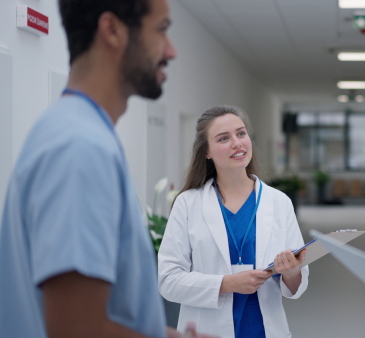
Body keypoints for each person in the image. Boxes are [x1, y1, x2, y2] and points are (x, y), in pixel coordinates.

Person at [0, 0, 213, 337]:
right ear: (112, 30)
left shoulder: (75, 132)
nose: (171, 51)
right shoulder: (79, 147)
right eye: (161, 30)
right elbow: (77, 330)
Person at [158, 105, 309, 338]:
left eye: (241, 133)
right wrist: (227, 284)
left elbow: (297, 284)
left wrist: (291, 271)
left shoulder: (279, 202)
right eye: (223, 138)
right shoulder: (188, 204)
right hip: (206, 330)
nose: (237, 143)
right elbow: (168, 281)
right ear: (206, 151)